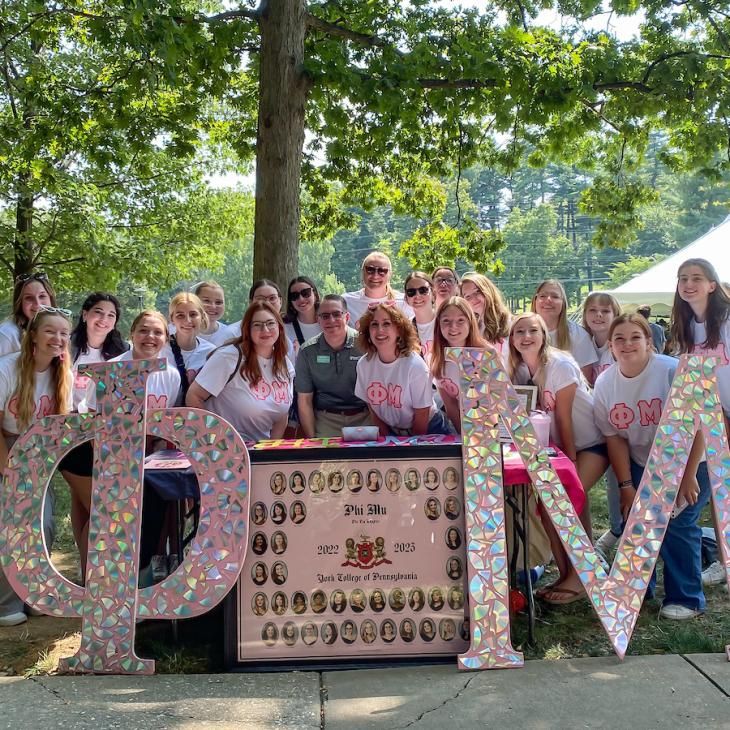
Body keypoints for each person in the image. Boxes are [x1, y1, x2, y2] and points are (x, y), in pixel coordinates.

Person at [594, 313, 710, 620]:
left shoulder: (670, 371)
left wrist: (687, 476)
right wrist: (626, 486)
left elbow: (699, 425)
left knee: (677, 523)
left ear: (649, 341)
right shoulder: (605, 382)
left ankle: (686, 598)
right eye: (619, 338)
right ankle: (638, 589)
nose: (627, 344)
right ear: (611, 345)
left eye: (635, 337)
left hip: (693, 459)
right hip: (642, 459)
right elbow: (615, 437)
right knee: (638, 520)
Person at [0, 308, 72, 626]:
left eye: (63, 333)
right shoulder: (7, 368)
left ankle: (34, 593)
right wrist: (8, 469)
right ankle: (6, 604)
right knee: (12, 527)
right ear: (33, 335)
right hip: (6, 448)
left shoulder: (64, 374)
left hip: (38, 454)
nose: (57, 339)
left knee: (43, 524)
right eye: (49, 332)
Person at [509, 313, 607, 540]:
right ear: (512, 339)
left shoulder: (559, 365)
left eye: (533, 330)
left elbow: (564, 418)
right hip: (559, 449)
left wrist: (570, 463)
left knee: (561, 503)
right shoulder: (520, 370)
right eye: (519, 331)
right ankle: (582, 567)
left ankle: (579, 570)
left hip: (591, 444)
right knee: (563, 506)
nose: (526, 336)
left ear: (544, 335)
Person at [670, 258, 730, 586]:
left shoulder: (727, 321)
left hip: (723, 414)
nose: (688, 283)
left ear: (712, 284)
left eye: (696, 277)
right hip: (712, 415)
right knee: (721, 492)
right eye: (682, 278)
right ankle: (722, 558)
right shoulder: (685, 327)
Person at [187, 302, 294, 442]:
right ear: (247, 330)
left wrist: (270, 450)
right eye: (257, 325)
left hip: (260, 450)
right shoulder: (228, 357)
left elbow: (282, 416)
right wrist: (214, 440)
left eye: (270, 323)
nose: (265, 329)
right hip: (224, 451)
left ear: (279, 327)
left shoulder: (285, 364)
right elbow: (194, 396)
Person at [355, 303, 449, 436]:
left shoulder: (415, 366)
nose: (380, 330)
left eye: (387, 324)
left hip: (428, 429)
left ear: (399, 329)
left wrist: (410, 452)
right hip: (392, 430)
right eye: (374, 324)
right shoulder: (363, 365)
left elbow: (422, 413)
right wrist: (387, 440)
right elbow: (372, 408)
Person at [582, 291, 624, 561]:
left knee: (622, 484)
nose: (599, 315)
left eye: (605, 311)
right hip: (595, 428)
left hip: (622, 427)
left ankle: (620, 537)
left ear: (615, 314)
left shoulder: (621, 343)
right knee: (613, 488)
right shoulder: (581, 343)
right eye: (593, 310)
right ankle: (613, 534)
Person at [295, 295, 371, 437]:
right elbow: (304, 400)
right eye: (325, 316)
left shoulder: (365, 345)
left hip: (365, 416)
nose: (331, 320)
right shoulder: (307, 351)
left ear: (347, 317)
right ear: (318, 320)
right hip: (326, 419)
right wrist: (312, 440)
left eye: (337, 314)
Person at [431, 297, 489, 433]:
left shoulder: (485, 355)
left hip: (490, 431)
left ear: (470, 322)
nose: (453, 327)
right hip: (464, 432)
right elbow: (450, 405)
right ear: (438, 324)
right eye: (446, 321)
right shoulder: (436, 359)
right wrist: (464, 435)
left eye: (460, 320)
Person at [69, 292, 128, 412]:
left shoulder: (123, 352)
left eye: (111, 315)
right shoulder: (66, 346)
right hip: (68, 418)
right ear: (85, 315)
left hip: (103, 420)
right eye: (98, 312)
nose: (104, 319)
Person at [531, 279, 598, 380]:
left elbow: (586, 380)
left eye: (555, 296)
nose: (548, 299)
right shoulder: (521, 333)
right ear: (535, 301)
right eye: (542, 296)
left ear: (563, 303)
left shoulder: (579, 335)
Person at [165, 292, 215, 403]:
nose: (187, 320)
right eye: (180, 315)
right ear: (172, 319)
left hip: (197, 415)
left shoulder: (211, 352)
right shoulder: (161, 350)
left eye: (193, 314)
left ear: (202, 316)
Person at [343, 251, 412, 327]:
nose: (375, 276)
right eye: (370, 270)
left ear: (390, 274)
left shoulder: (405, 302)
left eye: (382, 271)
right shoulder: (346, 302)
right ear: (362, 272)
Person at [0, 272, 56, 357]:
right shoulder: (7, 334)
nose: (37, 304)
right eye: (29, 298)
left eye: (42, 296)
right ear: (19, 303)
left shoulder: (59, 331)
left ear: (50, 299)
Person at [460, 272, 511, 356]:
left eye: (477, 292)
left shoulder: (510, 323)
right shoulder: (472, 328)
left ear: (488, 290)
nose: (473, 299)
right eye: (467, 297)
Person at [284, 276, 322, 352]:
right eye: (294, 296)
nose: (301, 299)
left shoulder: (329, 322)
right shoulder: (284, 328)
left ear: (314, 294)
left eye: (306, 293)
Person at [404, 271, 436, 360]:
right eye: (411, 292)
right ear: (406, 298)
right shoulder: (405, 330)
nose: (417, 295)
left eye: (423, 290)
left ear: (433, 292)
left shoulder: (447, 322)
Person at [193, 281, 234, 346]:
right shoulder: (180, 331)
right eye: (206, 301)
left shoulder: (230, 335)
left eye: (218, 302)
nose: (213, 306)